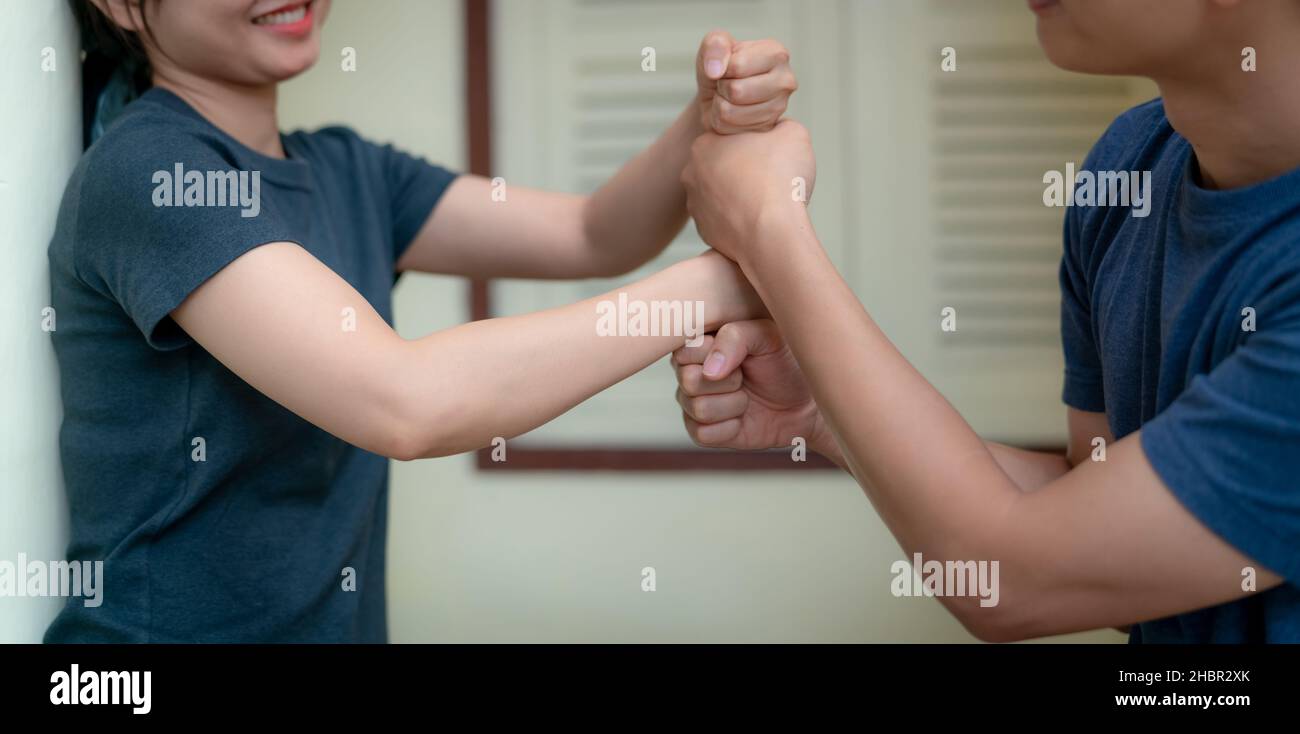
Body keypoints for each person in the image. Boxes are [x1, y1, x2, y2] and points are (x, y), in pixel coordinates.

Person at [46, 0, 796, 642]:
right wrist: (722, 281)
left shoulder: (349, 170)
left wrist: (708, 116)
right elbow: (405, 402)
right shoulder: (152, 172)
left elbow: (596, 234)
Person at [674, 0, 1300, 643]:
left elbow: (1012, 579)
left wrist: (769, 228)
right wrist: (821, 410)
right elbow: (1097, 527)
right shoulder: (1126, 170)